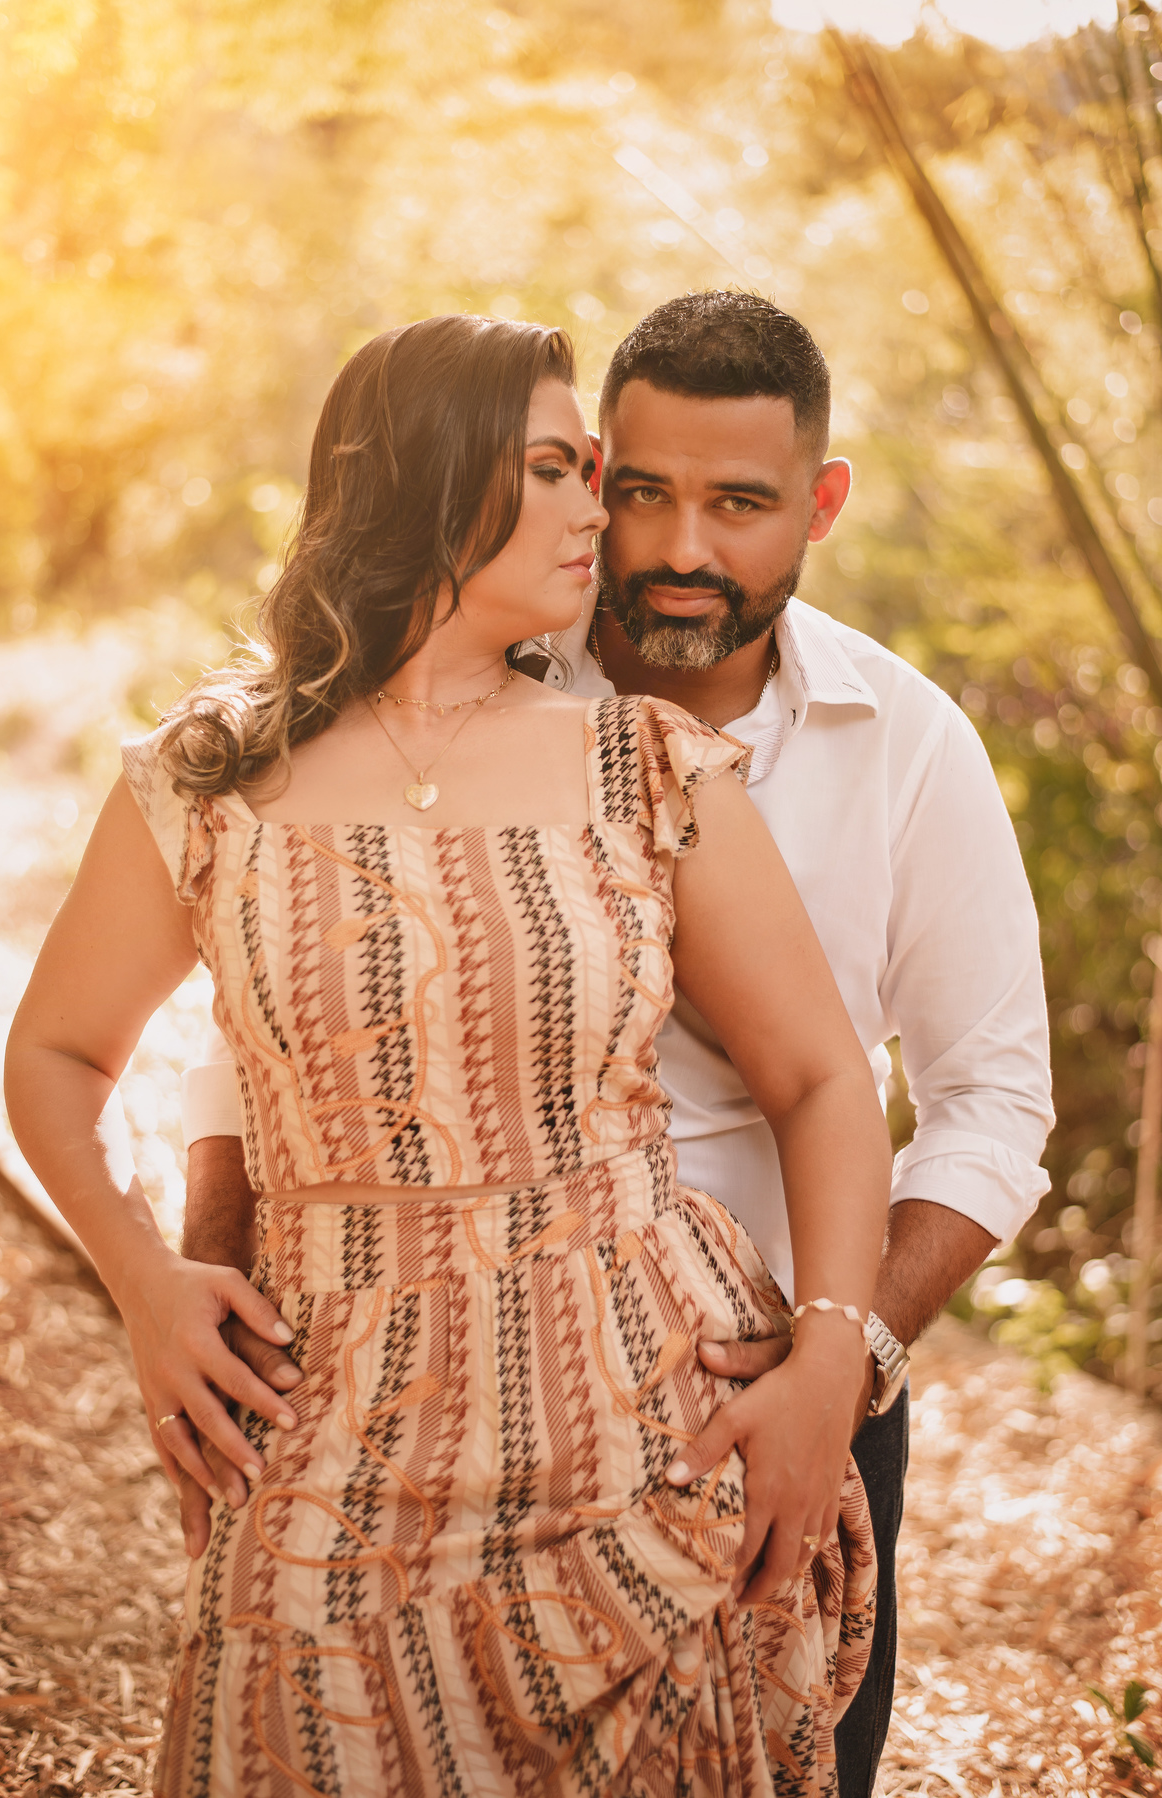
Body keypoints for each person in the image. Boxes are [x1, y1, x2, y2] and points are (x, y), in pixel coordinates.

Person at [176, 291, 1054, 1797]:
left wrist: (843, 1356)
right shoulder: (469, 670)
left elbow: (992, 1101)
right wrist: (213, 1294)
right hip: (420, 1402)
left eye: (740, 504)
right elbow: (270, 1014)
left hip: (777, 1392)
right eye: (640, 490)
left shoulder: (910, 747)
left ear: (822, 503)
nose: (679, 548)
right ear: (588, 474)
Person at [4, 312, 894, 1796]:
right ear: (427, 471)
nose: (594, 509)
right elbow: (54, 1053)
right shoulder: (212, 784)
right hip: (324, 1426)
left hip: (644, 1433)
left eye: (588, 470)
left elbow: (822, 1078)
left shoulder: (643, 764)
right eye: (551, 468)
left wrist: (828, 1357)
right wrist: (144, 1283)